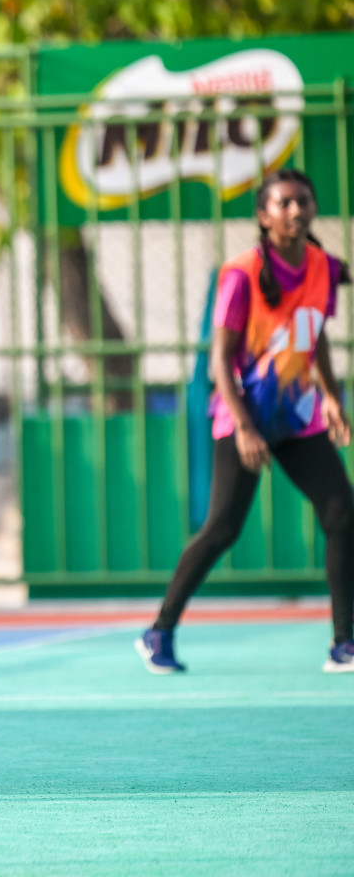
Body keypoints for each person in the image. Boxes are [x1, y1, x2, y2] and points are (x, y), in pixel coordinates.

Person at [138, 169, 354, 674]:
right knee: (222, 529)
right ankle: (159, 631)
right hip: (245, 416)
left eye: (303, 201)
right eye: (284, 204)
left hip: (297, 414)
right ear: (264, 215)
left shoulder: (323, 267)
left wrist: (331, 396)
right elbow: (220, 361)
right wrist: (245, 427)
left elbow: (314, 333)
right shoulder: (240, 273)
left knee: (342, 512)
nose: (295, 210)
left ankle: (344, 643)